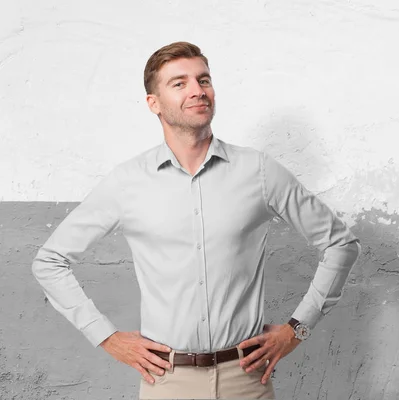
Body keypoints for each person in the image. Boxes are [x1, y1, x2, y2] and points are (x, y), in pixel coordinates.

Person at [31, 41, 361, 399]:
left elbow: (340, 244)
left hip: (247, 381)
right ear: (153, 103)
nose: (197, 90)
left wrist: (297, 329)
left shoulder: (259, 172)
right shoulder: (127, 182)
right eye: (179, 83)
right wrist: (106, 337)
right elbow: (50, 261)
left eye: (203, 79)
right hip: (167, 382)